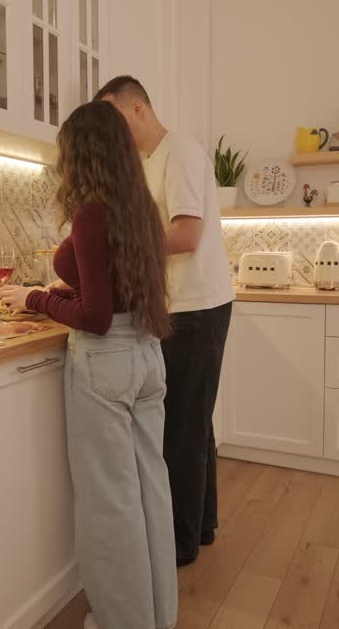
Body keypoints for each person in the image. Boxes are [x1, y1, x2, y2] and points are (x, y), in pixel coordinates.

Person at [0, 100, 176, 629]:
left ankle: (124, 625)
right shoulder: (139, 207)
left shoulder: (90, 213)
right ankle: (157, 613)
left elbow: (96, 320)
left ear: (81, 154)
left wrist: (34, 298)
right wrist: (66, 293)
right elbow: (117, 297)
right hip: (145, 354)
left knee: (109, 501)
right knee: (150, 485)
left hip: (105, 365)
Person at [94, 76, 236, 567]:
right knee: (194, 423)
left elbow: (186, 235)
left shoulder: (180, 152)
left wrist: (118, 251)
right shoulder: (149, 161)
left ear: (138, 107)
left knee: (180, 428)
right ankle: (202, 526)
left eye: (114, 118)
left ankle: (178, 546)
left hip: (196, 307)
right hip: (185, 305)